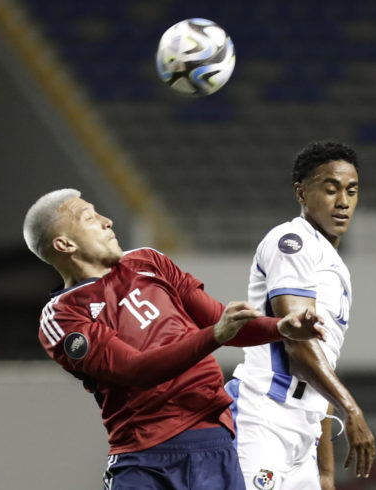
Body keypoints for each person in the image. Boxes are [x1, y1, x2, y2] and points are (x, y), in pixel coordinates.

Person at [22, 188, 326, 490]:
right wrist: (215, 335)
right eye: (89, 217)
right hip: (146, 458)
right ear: (64, 244)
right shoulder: (62, 316)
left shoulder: (149, 261)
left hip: (213, 442)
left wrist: (281, 327)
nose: (107, 221)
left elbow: (223, 321)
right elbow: (134, 369)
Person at [227, 141, 376, 490]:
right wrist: (351, 410)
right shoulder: (292, 241)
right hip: (263, 418)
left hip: (304, 428)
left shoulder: (334, 265)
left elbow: (321, 364)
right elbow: (297, 348)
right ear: (301, 192)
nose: (343, 202)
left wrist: (324, 473)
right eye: (331, 189)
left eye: (351, 191)